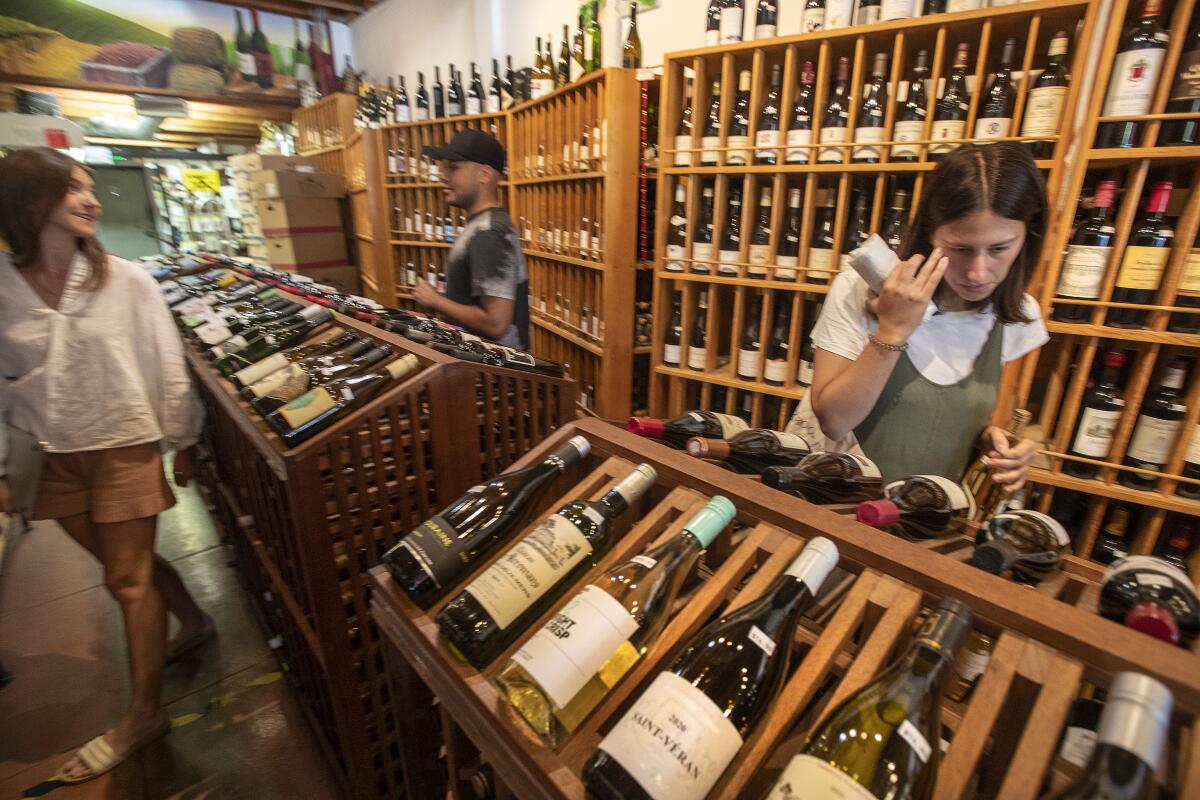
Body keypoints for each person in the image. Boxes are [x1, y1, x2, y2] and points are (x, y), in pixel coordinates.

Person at [0, 148, 214, 783]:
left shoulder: (128, 281)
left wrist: (184, 440)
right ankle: (197, 619)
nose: (90, 199)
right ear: (29, 201)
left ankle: (144, 713)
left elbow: (165, 365)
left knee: (124, 582)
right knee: (128, 569)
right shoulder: (4, 291)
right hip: (50, 452)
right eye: (73, 188)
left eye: (91, 187)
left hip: (123, 442)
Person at [792, 143, 1048, 488]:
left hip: (928, 518)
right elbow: (834, 420)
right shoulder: (861, 286)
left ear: (1027, 237)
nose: (977, 272)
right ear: (930, 232)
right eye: (960, 249)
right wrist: (893, 329)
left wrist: (997, 441)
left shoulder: (1019, 315)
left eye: (1000, 248)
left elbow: (969, 414)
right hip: (838, 508)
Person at [413, 128, 530, 349]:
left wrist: (436, 300)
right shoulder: (484, 225)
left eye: (453, 168)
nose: (443, 176)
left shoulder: (488, 232)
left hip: (492, 375)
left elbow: (496, 324)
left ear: (484, 175)